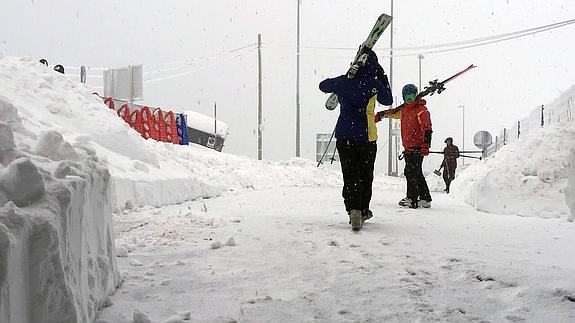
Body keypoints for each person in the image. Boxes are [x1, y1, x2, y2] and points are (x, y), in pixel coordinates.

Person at [319, 48, 393, 230]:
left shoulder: (344, 82)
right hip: (367, 137)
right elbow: (388, 99)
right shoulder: (374, 83)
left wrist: (345, 77)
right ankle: (363, 209)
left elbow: (323, 86)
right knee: (365, 176)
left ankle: (353, 209)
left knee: (350, 175)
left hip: (345, 136)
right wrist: (382, 78)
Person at [375, 84, 433, 208]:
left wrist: (426, 145)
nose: (410, 98)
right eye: (407, 96)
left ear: (416, 95)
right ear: (403, 97)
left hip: (417, 147)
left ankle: (412, 199)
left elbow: (427, 129)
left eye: (412, 95)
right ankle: (425, 198)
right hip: (408, 148)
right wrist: (381, 115)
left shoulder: (421, 110)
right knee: (416, 173)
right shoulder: (404, 110)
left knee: (410, 172)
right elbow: (394, 113)